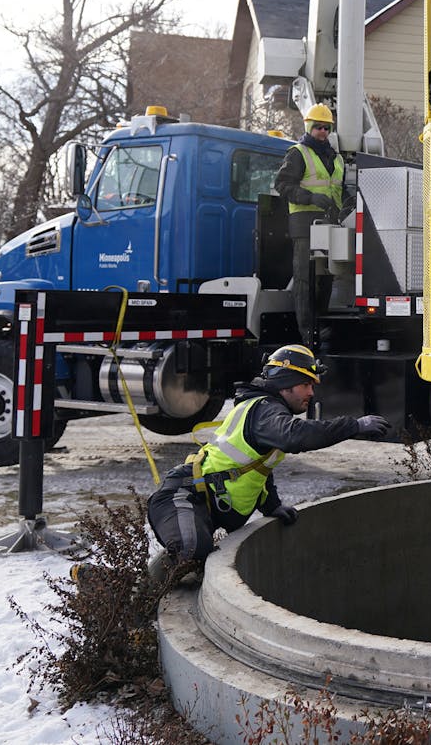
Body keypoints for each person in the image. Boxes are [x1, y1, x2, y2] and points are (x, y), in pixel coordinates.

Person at [147, 344, 389, 563]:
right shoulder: (264, 411)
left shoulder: (268, 411)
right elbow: (296, 436)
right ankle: (136, 604)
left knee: (196, 559)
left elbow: (258, 467)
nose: (311, 393)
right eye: (306, 384)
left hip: (201, 500)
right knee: (192, 553)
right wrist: (353, 426)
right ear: (286, 384)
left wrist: (271, 505)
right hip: (182, 496)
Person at [274, 104, 347, 346]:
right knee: (305, 280)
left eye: (327, 127)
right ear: (309, 127)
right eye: (318, 127)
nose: (323, 131)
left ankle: (320, 327)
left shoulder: (336, 159)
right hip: (305, 226)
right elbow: (282, 185)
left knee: (326, 278)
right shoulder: (298, 153)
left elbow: (340, 190)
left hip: (330, 225)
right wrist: (310, 198)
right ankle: (307, 335)